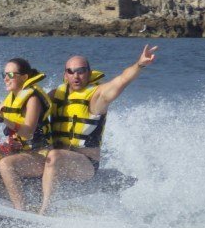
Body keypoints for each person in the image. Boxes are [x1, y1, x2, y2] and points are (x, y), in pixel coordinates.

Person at [39, 45, 158, 215]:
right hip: (59, 161)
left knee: (54, 156)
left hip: (85, 163)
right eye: (71, 72)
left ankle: (45, 210)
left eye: (80, 71)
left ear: (88, 72)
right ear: (65, 75)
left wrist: (139, 64)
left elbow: (122, 80)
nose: (76, 76)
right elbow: (31, 105)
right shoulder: (57, 94)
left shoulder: (97, 97)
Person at [0, 58, 53, 211]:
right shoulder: (10, 99)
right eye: (4, 74)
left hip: (41, 155)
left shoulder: (32, 99)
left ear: (24, 77)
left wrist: (4, 119)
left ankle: (20, 210)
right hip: (20, 152)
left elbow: (27, 132)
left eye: (10, 74)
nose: (5, 78)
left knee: (6, 164)